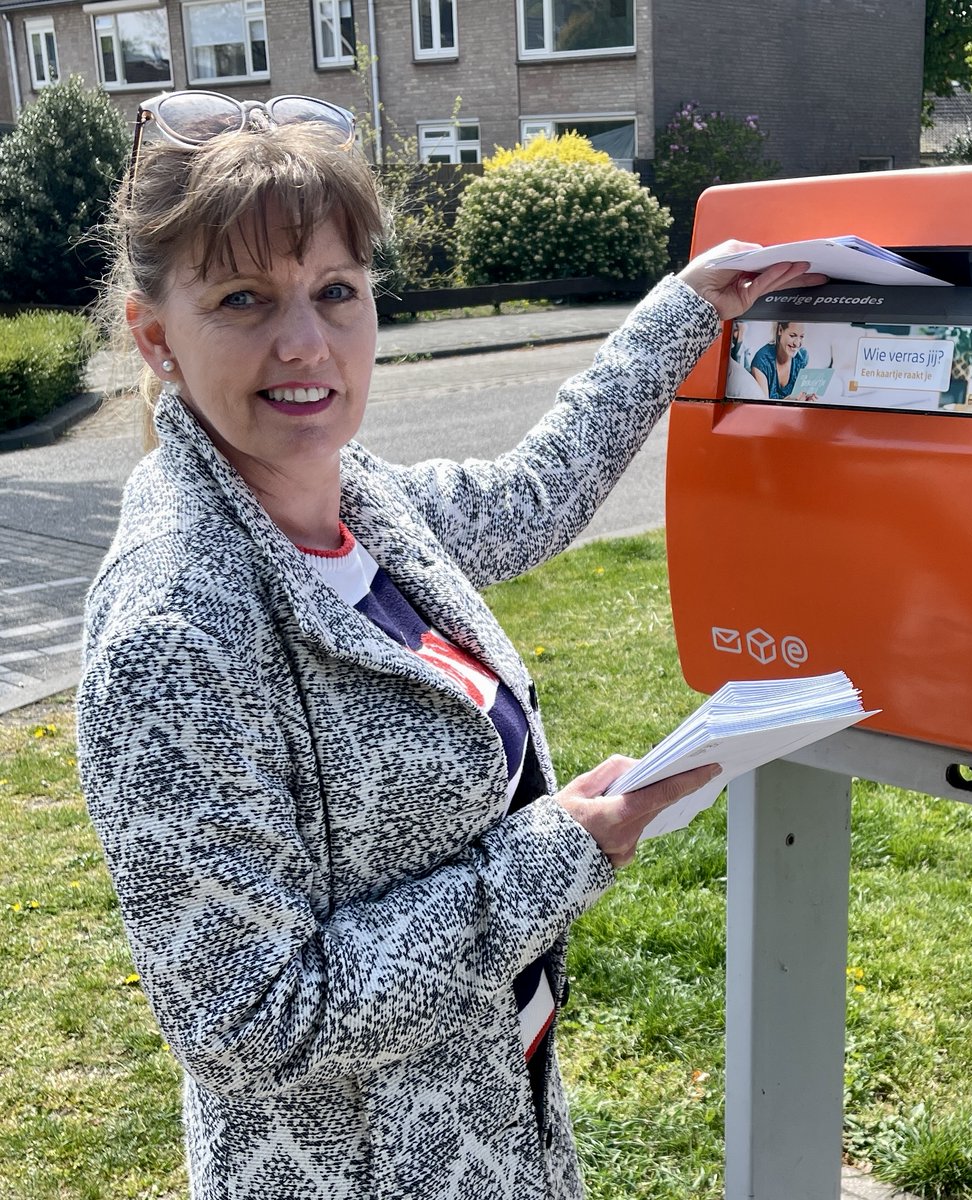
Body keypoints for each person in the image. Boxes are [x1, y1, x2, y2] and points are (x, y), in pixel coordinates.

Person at [76, 89, 821, 1200]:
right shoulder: (175, 629)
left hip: (487, 1130)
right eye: (243, 299)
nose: (305, 344)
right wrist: (558, 853)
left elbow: (529, 495)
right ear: (155, 335)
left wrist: (684, 307)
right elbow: (247, 1021)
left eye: (336, 292)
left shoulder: (354, 497)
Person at [750, 320, 810, 399]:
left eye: (801, 336)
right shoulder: (762, 361)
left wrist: (807, 399)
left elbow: (801, 395)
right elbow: (763, 408)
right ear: (780, 330)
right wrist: (789, 401)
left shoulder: (802, 357)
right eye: (792, 336)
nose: (797, 343)